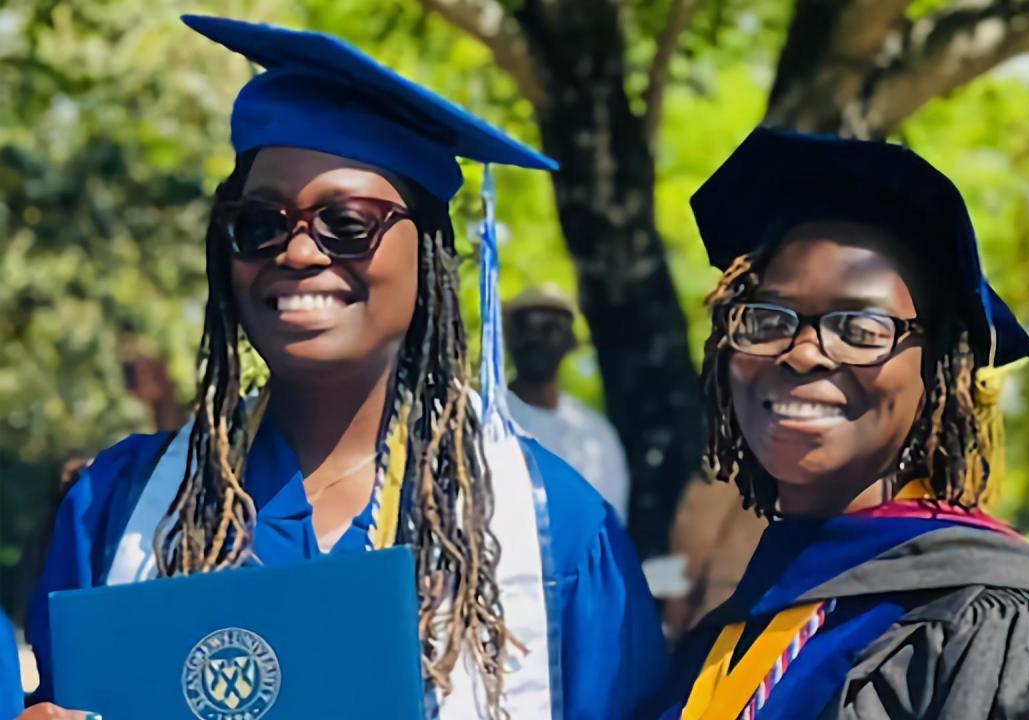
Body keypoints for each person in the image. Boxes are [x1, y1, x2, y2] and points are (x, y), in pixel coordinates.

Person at [21, 15, 664, 720]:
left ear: (428, 255)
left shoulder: (554, 529)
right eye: (260, 224)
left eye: (348, 224)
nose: (298, 253)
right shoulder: (120, 505)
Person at [649, 128, 1029, 719]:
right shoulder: (728, 633)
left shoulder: (1001, 623)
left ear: (936, 370)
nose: (802, 353)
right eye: (769, 319)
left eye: (861, 329)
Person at [504, 286, 631, 519]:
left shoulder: (596, 434)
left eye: (549, 328)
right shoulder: (486, 419)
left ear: (571, 341)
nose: (534, 338)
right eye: (524, 326)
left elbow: (608, 520)